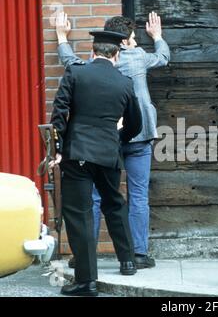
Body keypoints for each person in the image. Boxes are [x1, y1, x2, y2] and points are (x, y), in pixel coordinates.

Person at [56, 11, 170, 270]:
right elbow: (163, 57)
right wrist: (158, 37)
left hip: (104, 141)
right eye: (131, 37)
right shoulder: (139, 57)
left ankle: (87, 254)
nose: (133, 41)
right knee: (138, 195)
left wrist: (62, 37)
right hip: (139, 135)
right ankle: (138, 254)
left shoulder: (90, 65)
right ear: (123, 41)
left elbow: (69, 62)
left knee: (95, 197)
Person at [50, 30, 142, 296]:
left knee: (79, 214)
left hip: (77, 153)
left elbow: (60, 111)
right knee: (115, 204)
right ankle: (128, 261)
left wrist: (57, 148)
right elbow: (135, 124)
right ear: (116, 54)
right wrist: (116, 138)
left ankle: (86, 281)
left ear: (93, 52)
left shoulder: (76, 73)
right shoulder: (125, 83)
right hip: (108, 154)